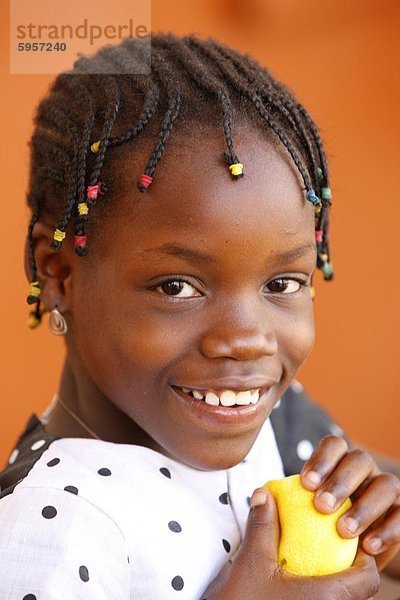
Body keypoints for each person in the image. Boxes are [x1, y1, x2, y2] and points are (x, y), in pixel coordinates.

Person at [0, 32, 398, 599]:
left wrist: (383, 529)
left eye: (283, 282)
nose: (246, 341)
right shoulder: (53, 529)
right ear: (59, 276)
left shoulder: (277, 427)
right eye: (177, 286)